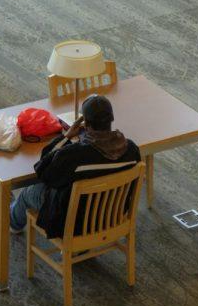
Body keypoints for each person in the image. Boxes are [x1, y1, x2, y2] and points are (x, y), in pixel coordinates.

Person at [9, 94, 141, 238]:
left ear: (86, 124)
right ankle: (82, 248)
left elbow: (43, 171)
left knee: (29, 191)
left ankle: (13, 223)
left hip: (74, 223)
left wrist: (67, 136)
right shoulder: (132, 151)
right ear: (112, 119)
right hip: (109, 217)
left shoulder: (74, 156)